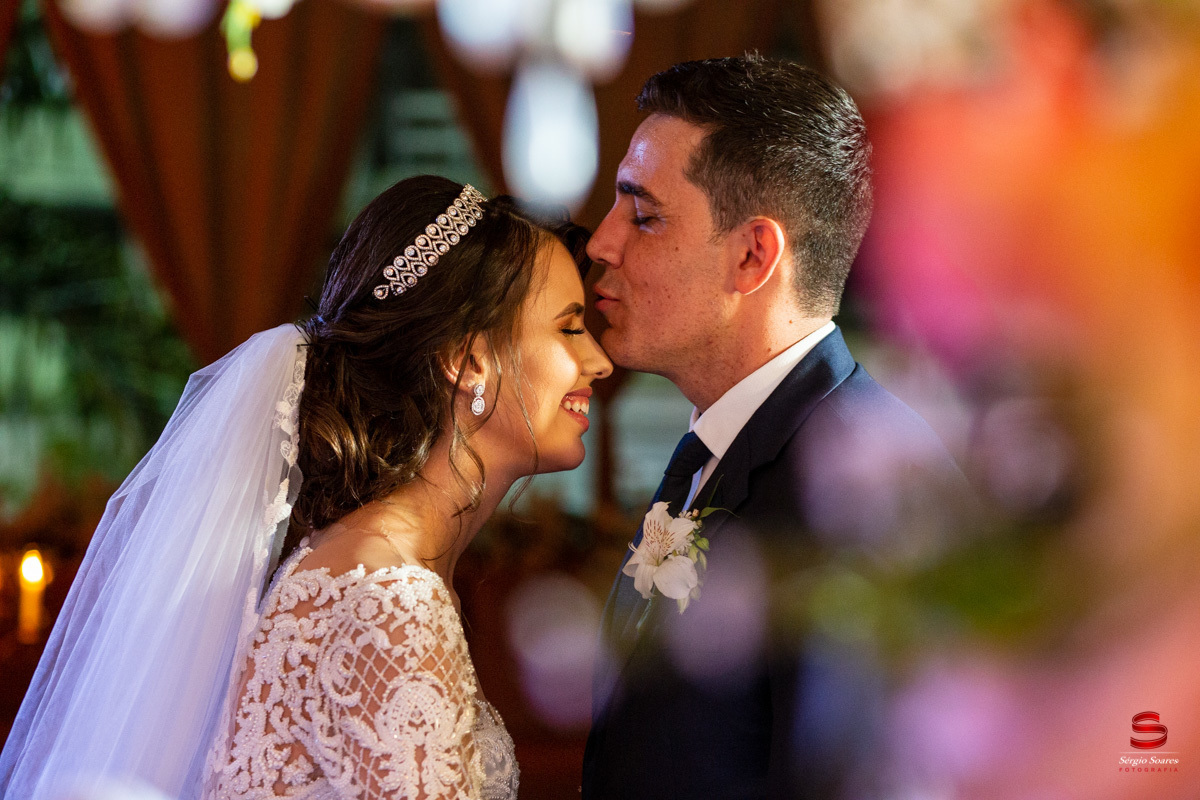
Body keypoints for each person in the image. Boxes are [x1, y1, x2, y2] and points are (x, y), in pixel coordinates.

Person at [0, 175, 612, 800]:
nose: (599, 360)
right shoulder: (391, 602)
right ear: (466, 360)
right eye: (569, 329)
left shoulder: (372, 568)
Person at [581, 56, 968, 799]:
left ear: (753, 254)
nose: (602, 243)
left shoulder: (854, 492)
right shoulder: (720, 447)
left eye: (644, 214)